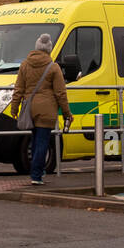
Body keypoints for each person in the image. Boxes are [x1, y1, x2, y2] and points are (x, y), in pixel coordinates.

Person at [10, 33, 72, 185]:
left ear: (36, 47)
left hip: (30, 108)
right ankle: (36, 175)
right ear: (49, 49)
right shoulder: (53, 67)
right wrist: (66, 113)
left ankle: (38, 171)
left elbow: (18, 88)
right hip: (47, 109)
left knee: (35, 141)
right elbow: (60, 93)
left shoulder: (25, 65)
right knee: (42, 142)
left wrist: (14, 107)